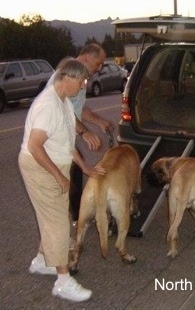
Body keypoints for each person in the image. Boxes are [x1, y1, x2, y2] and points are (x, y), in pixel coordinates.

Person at [19, 59, 106, 302]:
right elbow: (36, 147)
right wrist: (58, 176)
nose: (82, 87)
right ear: (67, 78)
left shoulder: (63, 101)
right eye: (81, 81)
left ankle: (41, 261)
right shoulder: (48, 105)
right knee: (59, 223)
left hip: (54, 164)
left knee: (52, 217)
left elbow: (67, 143)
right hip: (40, 168)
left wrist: (85, 167)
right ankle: (63, 281)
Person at [48, 44, 111, 223]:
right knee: (67, 179)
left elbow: (78, 109)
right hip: (54, 139)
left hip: (65, 136)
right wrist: (84, 133)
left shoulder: (79, 77)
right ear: (86, 58)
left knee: (75, 171)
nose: (99, 69)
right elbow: (64, 110)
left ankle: (77, 216)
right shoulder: (67, 75)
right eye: (98, 64)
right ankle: (74, 219)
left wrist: (99, 122)